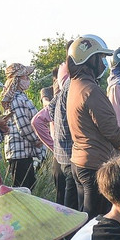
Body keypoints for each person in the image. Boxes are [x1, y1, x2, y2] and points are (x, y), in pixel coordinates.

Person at [65, 35, 120, 218]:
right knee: (95, 219)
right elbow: (109, 127)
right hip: (95, 163)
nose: (103, 63)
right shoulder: (90, 90)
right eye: (100, 58)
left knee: (84, 216)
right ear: (89, 60)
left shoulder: (76, 86)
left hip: (80, 160)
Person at [1, 62, 45, 189]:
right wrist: (37, 140)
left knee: (27, 187)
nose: (28, 80)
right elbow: (24, 125)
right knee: (23, 189)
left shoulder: (20, 96)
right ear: (17, 79)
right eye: (25, 77)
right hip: (19, 153)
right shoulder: (16, 99)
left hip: (23, 152)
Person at [49, 62, 80, 211]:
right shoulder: (72, 87)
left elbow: (47, 111)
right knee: (71, 203)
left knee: (68, 200)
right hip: (70, 154)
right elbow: (37, 121)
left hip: (63, 154)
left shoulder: (61, 94)